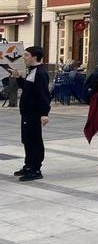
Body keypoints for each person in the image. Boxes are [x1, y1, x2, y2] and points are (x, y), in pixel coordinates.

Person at [12, 47, 50, 181]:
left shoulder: (40, 73)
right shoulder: (32, 72)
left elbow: (44, 94)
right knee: (27, 140)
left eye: (26, 55)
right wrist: (18, 78)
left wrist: (44, 113)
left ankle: (36, 169)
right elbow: (28, 89)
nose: (24, 57)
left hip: (34, 114)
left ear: (34, 57)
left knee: (34, 140)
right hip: (27, 113)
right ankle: (28, 165)